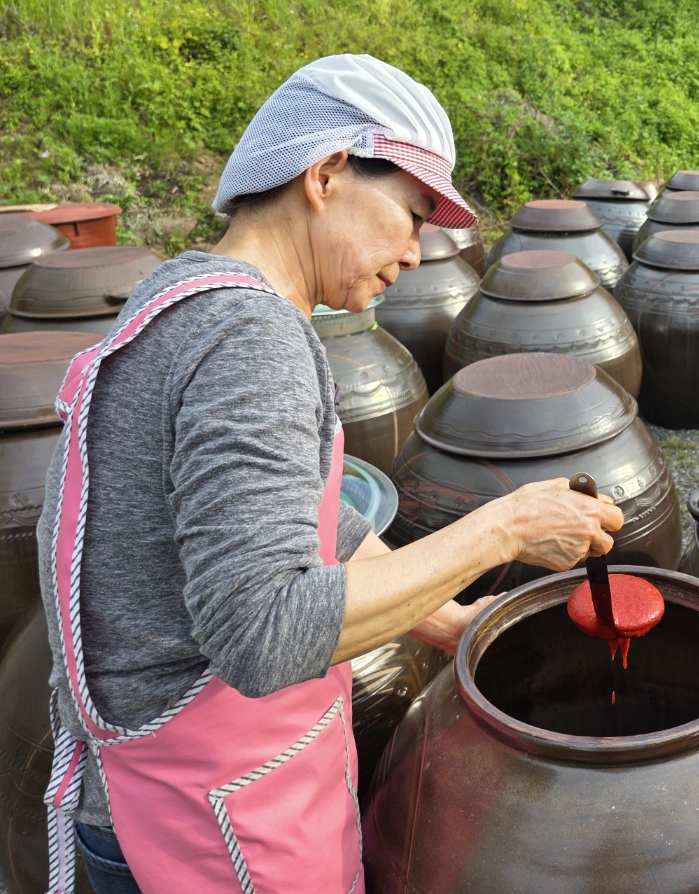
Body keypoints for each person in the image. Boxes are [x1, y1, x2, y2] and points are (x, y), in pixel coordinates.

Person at [37, 54, 623, 894]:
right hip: (207, 832)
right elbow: (263, 633)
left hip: (153, 801)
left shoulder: (178, 297)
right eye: (413, 215)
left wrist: (445, 619)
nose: (418, 253)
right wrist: (505, 528)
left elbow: (309, 519)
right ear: (328, 172)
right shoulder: (251, 340)